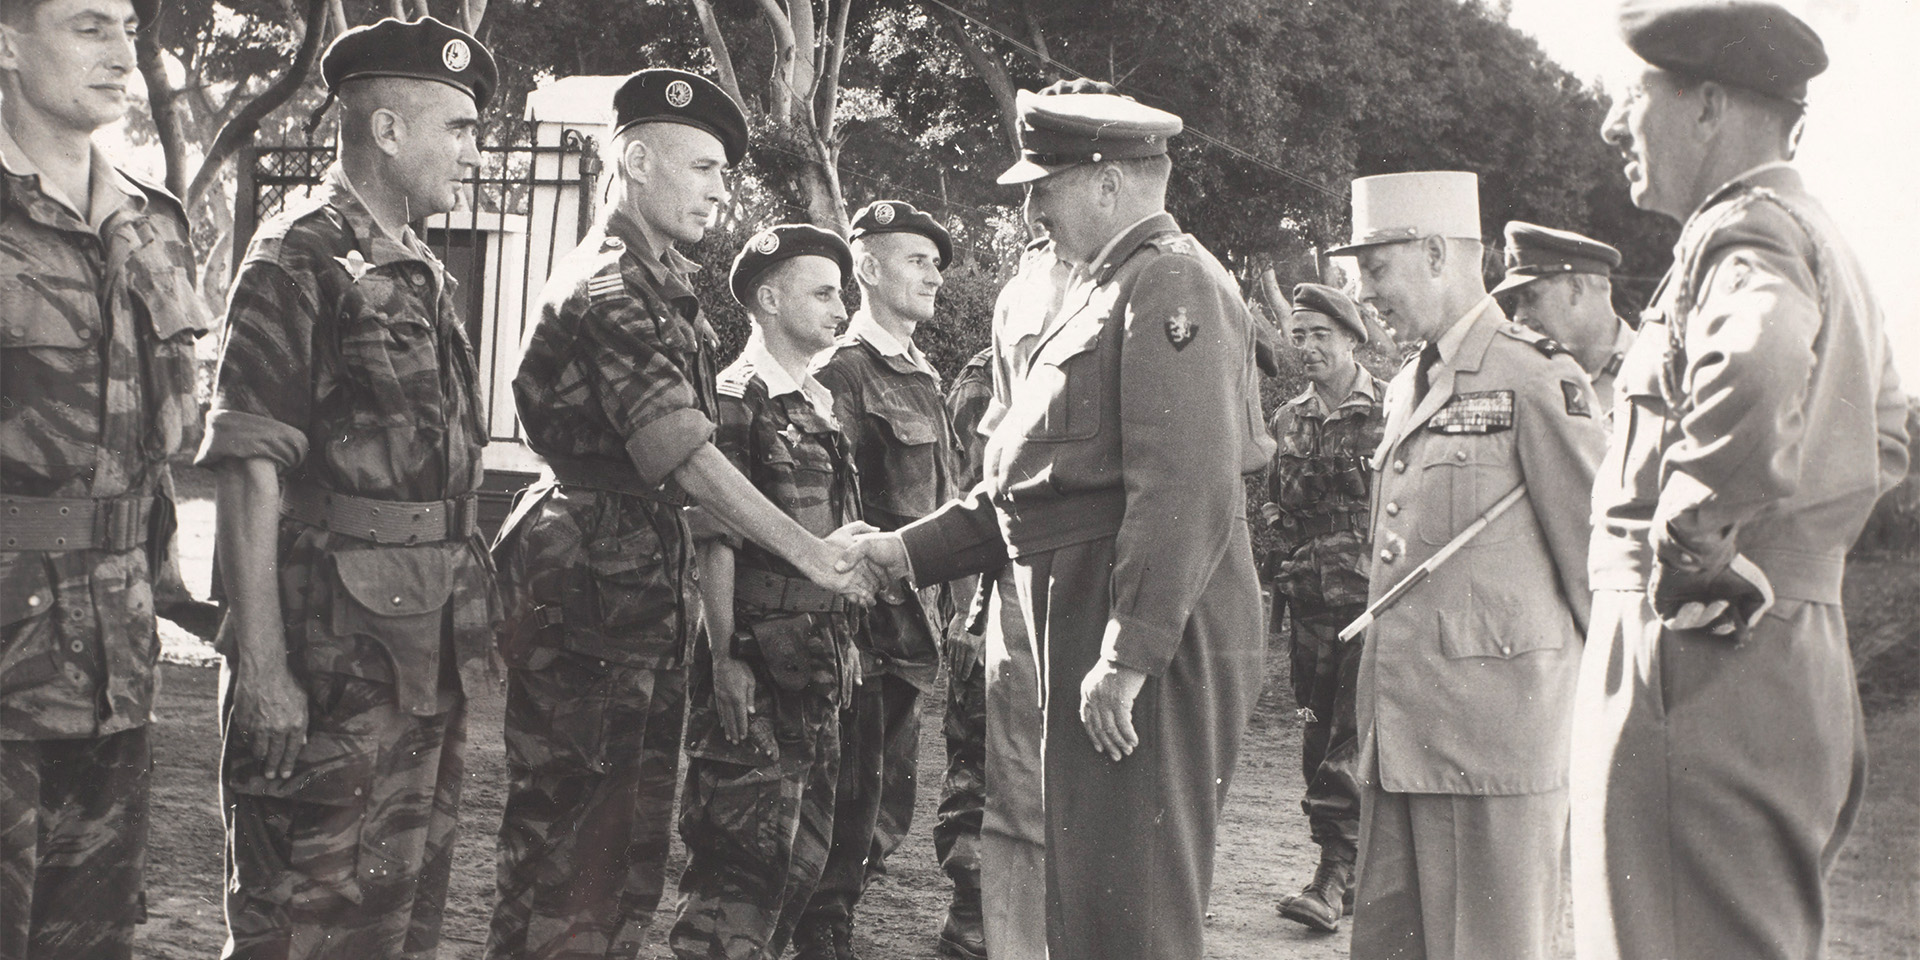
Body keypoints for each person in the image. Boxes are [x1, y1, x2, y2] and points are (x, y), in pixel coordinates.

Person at [840, 80, 1273, 960]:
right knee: (1085, 900)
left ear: (1107, 184)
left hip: (1141, 633)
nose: (1032, 208)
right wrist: (900, 550)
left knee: (1130, 909)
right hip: (1087, 621)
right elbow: (1028, 486)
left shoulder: (1170, 282)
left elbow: (1183, 486)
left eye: (1045, 186)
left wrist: (1127, 653)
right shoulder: (1098, 292)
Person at [488, 69, 867, 960]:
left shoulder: (667, 289)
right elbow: (689, 453)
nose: (717, 188)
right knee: (567, 849)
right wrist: (810, 553)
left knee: (626, 851)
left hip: (636, 583)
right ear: (636, 158)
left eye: (725, 173)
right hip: (589, 585)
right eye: (702, 167)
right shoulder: (612, 288)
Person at [1574, 3, 1909, 957]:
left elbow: (1757, 361)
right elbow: (1884, 436)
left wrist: (1697, 532)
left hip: (1698, 658)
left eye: (1633, 94)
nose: (1612, 124)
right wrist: (1788, 540)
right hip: (1791, 648)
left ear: (1709, 105)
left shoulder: (1743, 233)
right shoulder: (1823, 236)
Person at [197, 17, 501, 959]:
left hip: (420, 646)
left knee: (394, 917)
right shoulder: (297, 257)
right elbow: (251, 470)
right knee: (301, 921)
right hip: (329, 655)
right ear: (386, 131)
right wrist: (266, 669)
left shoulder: (420, 270)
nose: (473, 152)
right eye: (455, 128)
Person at [1332, 170, 1606, 960]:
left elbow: (1598, 569)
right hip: (1403, 737)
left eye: (1376, 270)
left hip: (1496, 749)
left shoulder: (1533, 375)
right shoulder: (1406, 385)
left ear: (1434, 254)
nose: (1366, 293)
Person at [0, 0, 210, 954]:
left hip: (117, 668)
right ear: (7, 42)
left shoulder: (153, 222)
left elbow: (172, 442)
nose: (126, 53)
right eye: (91, 26)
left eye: (129, 28)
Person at [667, 224, 865, 960]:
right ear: (769, 298)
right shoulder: (734, 401)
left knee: (799, 865)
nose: (840, 307)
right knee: (734, 875)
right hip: (754, 664)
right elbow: (716, 539)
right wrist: (723, 657)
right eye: (822, 292)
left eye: (842, 292)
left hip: (814, 667)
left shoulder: (818, 404)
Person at [797, 200, 960, 959]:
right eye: (917, 260)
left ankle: (834, 917)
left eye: (936, 263)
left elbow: (944, 505)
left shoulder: (920, 375)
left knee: (885, 797)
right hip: (865, 626)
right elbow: (832, 506)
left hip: (915, 626)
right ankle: (821, 932)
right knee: (850, 796)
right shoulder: (843, 372)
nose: (934, 275)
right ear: (868, 268)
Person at [1260, 282, 1385, 933]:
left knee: (1350, 734)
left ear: (1353, 338)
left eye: (1320, 336)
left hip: (1375, 605)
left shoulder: (1393, 410)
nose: (1306, 347)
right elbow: (1279, 505)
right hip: (1311, 605)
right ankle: (1352, 869)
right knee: (1317, 738)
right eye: (1299, 335)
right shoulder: (1291, 418)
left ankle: (1332, 877)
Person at [932, 344, 994, 960]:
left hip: (1069, 603)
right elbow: (966, 505)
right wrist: (970, 613)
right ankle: (968, 910)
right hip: (994, 605)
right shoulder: (986, 378)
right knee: (978, 757)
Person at [1491, 220, 1636, 420]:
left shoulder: (1652, 365)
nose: (1518, 316)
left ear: (1575, 288)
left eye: (1531, 297)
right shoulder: (1528, 377)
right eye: (1517, 302)